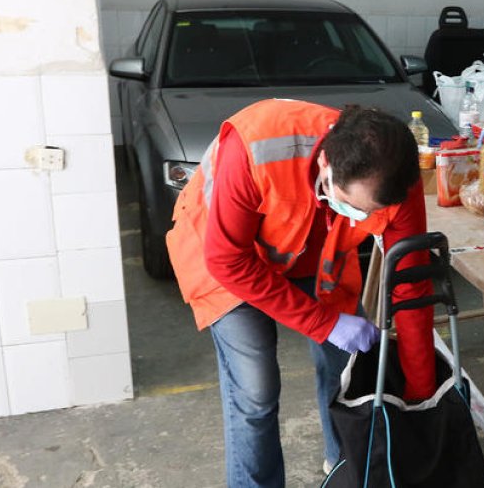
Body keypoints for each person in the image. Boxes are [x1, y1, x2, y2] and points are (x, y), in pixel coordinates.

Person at [165, 100, 435, 488]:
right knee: (256, 390)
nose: (359, 216)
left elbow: (412, 286)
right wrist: (323, 322)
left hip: (313, 252)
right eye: (352, 205)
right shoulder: (256, 145)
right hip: (225, 255)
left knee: (349, 370)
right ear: (326, 164)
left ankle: (346, 468)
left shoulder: (397, 178)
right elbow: (227, 260)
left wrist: (419, 394)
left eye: (367, 212)